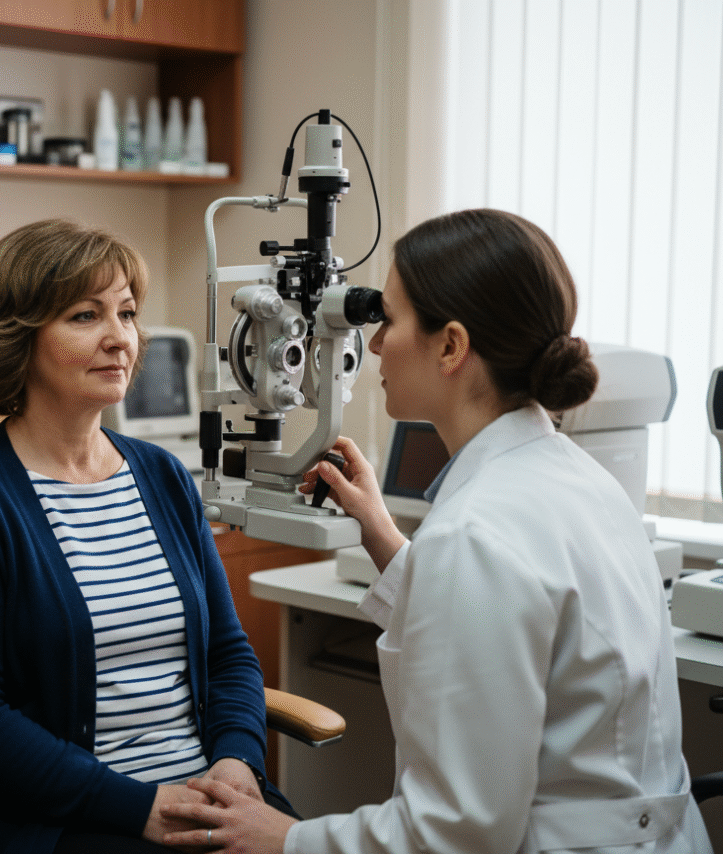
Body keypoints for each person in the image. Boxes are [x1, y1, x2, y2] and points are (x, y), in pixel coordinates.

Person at [159, 208, 714, 853]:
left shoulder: (475, 536)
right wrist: (383, 535)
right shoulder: (577, 482)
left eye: (389, 320)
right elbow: (507, 619)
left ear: (452, 346)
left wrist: (287, 839)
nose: (372, 345)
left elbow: (453, 833)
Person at [0, 218, 295, 854]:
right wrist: (137, 805)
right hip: (68, 818)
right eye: (86, 316)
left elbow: (228, 653)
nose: (121, 340)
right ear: (19, 338)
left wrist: (238, 762)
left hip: (205, 797)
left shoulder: (162, 476)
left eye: (128, 314)